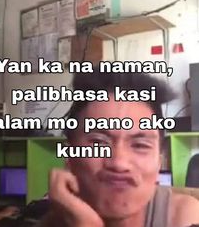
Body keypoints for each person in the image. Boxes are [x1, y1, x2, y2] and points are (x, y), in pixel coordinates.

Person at [39, 69, 199, 227]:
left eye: (140, 145)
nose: (119, 163)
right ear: (69, 158)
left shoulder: (184, 217)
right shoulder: (52, 221)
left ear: (159, 162)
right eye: (99, 142)